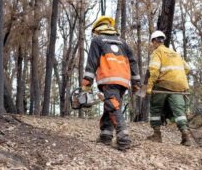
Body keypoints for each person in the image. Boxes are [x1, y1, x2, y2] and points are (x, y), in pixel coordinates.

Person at [82, 16, 141, 151]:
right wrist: (136, 82)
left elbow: (92, 62)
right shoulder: (122, 42)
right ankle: (106, 135)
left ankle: (123, 138)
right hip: (123, 81)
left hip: (109, 78)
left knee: (113, 106)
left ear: (97, 29)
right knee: (111, 104)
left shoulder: (97, 40)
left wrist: (86, 83)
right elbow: (133, 62)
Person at [146, 30, 191, 146]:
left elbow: (154, 71)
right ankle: (185, 135)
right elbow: (187, 69)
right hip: (179, 86)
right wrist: (176, 76)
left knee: (155, 108)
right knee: (179, 111)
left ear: (154, 42)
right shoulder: (175, 53)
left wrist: (150, 86)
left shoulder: (157, 52)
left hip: (163, 85)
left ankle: (157, 135)